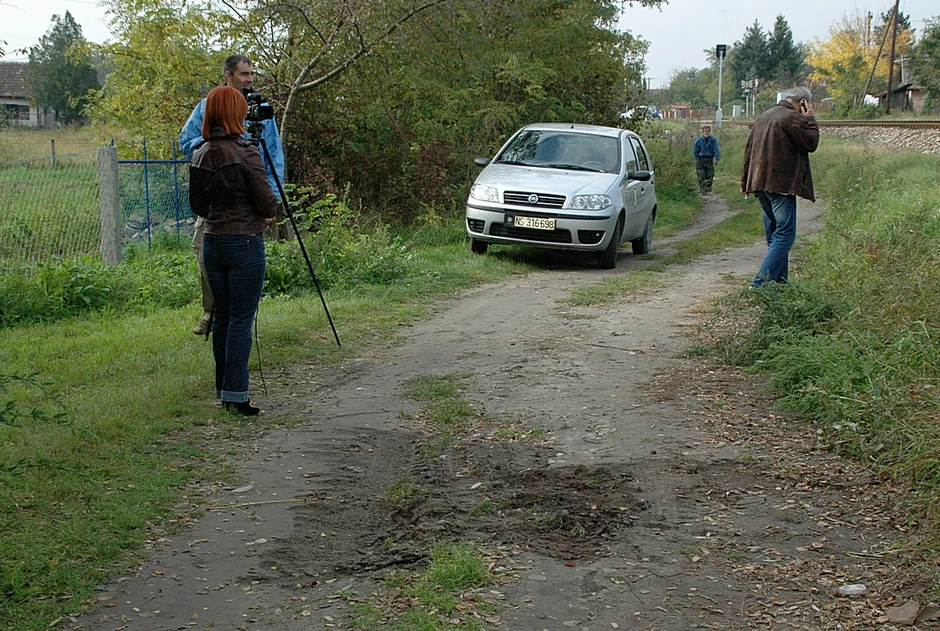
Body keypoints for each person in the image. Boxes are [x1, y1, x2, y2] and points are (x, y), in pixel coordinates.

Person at [189, 86, 280, 416]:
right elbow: (267, 198)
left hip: (214, 241)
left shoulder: (200, 153)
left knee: (223, 317)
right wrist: (265, 214)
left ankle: (223, 388)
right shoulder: (246, 152)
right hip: (244, 241)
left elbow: (196, 203)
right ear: (234, 113)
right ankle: (237, 396)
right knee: (242, 319)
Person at [180, 54, 285, 335]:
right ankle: (211, 312)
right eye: (243, 74)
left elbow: (274, 151)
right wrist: (221, 142)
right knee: (202, 248)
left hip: (252, 193)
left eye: (252, 74)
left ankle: (238, 318)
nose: (249, 79)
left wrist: (272, 200)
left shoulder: (261, 109)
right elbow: (186, 142)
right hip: (218, 197)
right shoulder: (209, 106)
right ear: (228, 75)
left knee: (245, 263)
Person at [741, 86, 819, 288]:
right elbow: (810, 143)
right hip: (781, 184)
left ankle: (779, 284)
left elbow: (749, 152)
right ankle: (759, 284)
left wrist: (745, 183)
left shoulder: (763, 117)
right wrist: (810, 117)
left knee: (775, 237)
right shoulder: (792, 117)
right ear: (802, 102)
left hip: (760, 183)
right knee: (784, 235)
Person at [692, 124, 719, 194]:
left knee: (710, 174)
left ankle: (708, 187)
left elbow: (716, 149)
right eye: (705, 130)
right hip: (701, 159)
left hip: (709, 159)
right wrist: (697, 159)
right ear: (703, 131)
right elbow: (695, 150)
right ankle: (702, 189)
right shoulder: (699, 140)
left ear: (709, 131)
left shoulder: (713, 140)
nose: (706, 132)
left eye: (708, 130)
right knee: (701, 175)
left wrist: (716, 158)